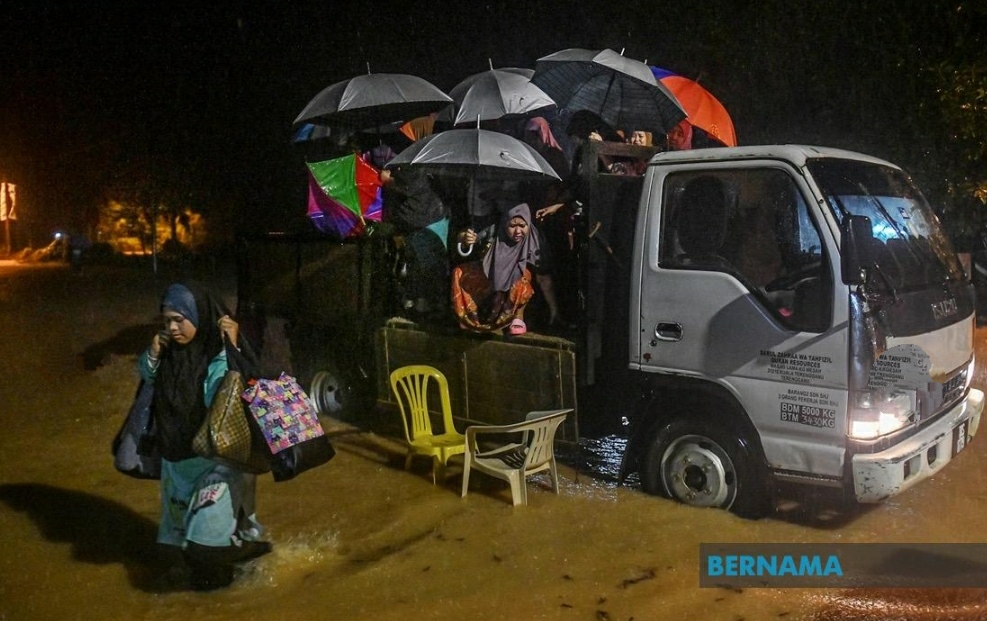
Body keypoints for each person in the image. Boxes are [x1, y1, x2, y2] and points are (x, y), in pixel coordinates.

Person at [139, 281, 270, 590]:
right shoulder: (170, 352)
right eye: (167, 320)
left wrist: (233, 347)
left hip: (212, 463)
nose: (172, 328)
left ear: (199, 316)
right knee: (183, 549)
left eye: (179, 319)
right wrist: (153, 354)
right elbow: (147, 377)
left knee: (208, 548)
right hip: (176, 461)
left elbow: (238, 391)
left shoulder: (219, 356)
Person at [451, 203, 541, 334]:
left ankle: (518, 317)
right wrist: (465, 237)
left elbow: (543, 268)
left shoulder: (534, 237)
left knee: (522, 274)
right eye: (512, 226)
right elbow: (465, 236)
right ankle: (469, 318)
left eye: (522, 226)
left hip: (513, 279)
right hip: (489, 272)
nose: (517, 231)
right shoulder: (493, 229)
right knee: (459, 272)